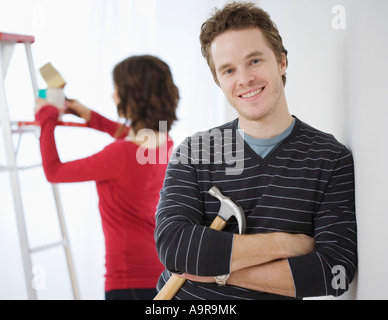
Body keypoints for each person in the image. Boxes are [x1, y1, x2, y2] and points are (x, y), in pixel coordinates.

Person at [154, 2, 357, 300]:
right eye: (228, 70)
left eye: (254, 61)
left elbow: (335, 272)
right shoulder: (195, 151)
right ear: (219, 81)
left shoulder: (330, 159)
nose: (244, 80)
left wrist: (216, 271)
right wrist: (284, 245)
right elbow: (174, 247)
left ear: (281, 61)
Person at [35, 55, 179, 300]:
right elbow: (129, 137)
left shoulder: (119, 154)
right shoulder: (163, 141)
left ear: (131, 96)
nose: (113, 97)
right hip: (164, 273)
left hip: (129, 283)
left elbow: (54, 171)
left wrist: (46, 117)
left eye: (116, 90)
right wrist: (87, 114)